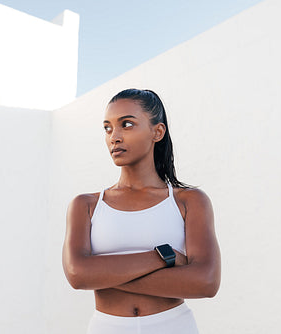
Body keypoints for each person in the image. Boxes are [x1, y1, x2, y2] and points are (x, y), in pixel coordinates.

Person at [62, 88, 221, 334]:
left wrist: (103, 275)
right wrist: (163, 257)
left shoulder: (189, 201)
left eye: (126, 124)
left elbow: (206, 282)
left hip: (174, 326)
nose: (114, 136)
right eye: (107, 128)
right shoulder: (86, 205)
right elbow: (77, 275)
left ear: (157, 132)